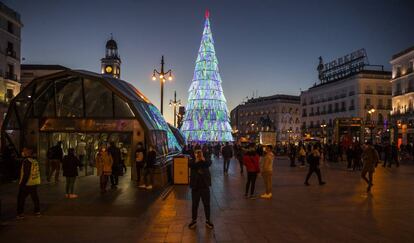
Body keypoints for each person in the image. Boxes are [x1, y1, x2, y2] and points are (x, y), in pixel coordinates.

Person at [188, 150, 214, 229]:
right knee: (195, 205)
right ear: (194, 153)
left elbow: (209, 163)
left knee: (207, 204)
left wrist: (203, 158)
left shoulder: (206, 159)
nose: (198, 154)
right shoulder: (192, 160)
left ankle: (208, 220)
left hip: (205, 186)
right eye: (197, 152)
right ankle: (194, 220)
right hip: (195, 187)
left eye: (200, 152)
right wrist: (196, 159)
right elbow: (189, 164)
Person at [17, 147, 41, 219]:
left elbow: (26, 174)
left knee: (21, 198)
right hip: (34, 182)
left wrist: (22, 184)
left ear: (27, 152)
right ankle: (37, 211)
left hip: (27, 183)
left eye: (24, 151)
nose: (22, 152)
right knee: (35, 197)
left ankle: (20, 213)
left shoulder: (26, 161)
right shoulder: (34, 161)